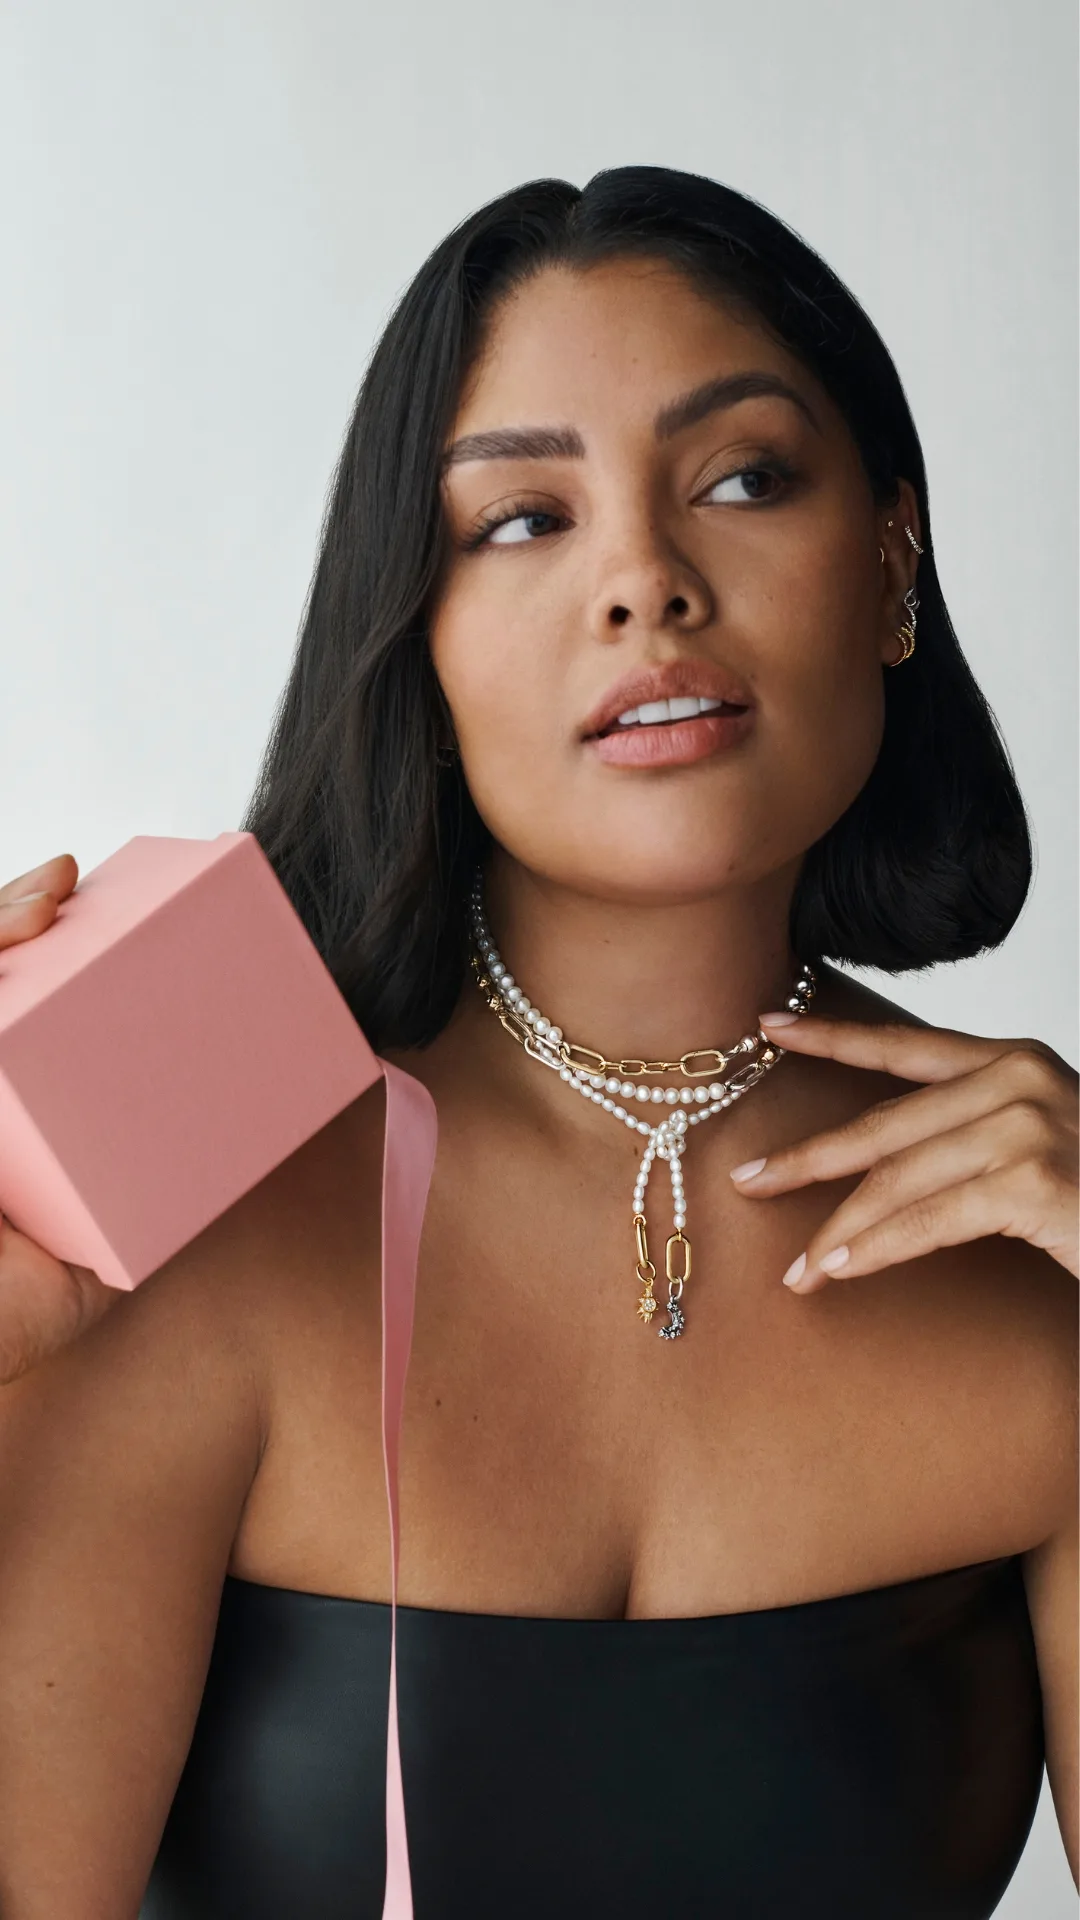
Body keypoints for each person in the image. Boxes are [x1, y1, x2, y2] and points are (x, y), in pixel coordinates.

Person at [0, 167, 1076, 1919]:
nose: (646, 581)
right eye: (521, 520)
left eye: (740, 479)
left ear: (893, 558)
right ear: (411, 636)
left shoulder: (1040, 1271)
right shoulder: (178, 1229)